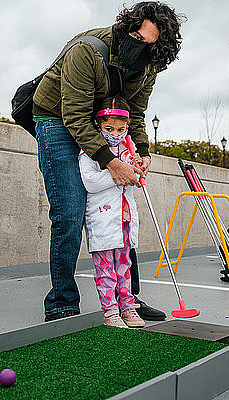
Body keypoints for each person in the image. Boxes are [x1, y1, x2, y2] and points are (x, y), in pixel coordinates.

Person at [33, 2, 184, 321]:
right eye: (137, 39)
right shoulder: (86, 50)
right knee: (70, 211)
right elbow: (74, 116)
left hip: (108, 121)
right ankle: (62, 302)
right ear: (128, 28)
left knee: (122, 211)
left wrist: (142, 152)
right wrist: (112, 164)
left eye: (150, 47)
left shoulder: (149, 66)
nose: (141, 49)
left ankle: (127, 298)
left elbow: (136, 114)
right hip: (57, 121)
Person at [79, 97, 145, 328]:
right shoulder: (91, 152)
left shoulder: (127, 150)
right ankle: (110, 312)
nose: (115, 133)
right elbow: (90, 182)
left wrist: (135, 166)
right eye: (109, 128)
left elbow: (135, 175)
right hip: (103, 219)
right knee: (106, 269)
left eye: (121, 129)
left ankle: (127, 306)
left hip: (125, 219)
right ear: (98, 125)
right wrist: (119, 172)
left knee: (124, 267)